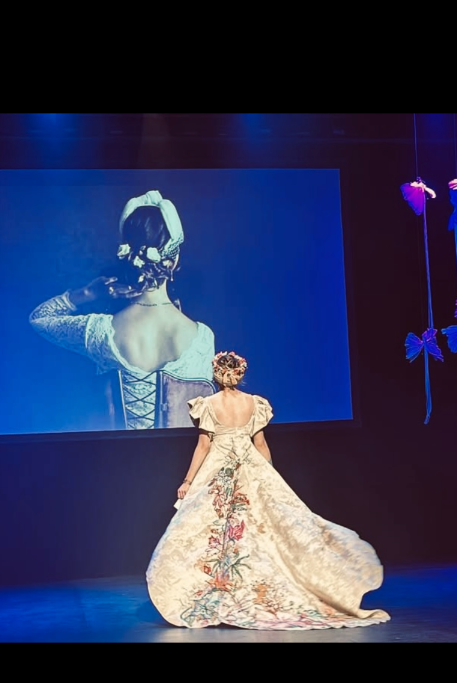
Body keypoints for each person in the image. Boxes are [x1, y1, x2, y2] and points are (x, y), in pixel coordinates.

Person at [146, 351, 390, 629]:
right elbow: (260, 444)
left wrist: (188, 481)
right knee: (256, 526)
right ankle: (244, 584)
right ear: (240, 374)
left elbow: (204, 446)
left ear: (216, 374)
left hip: (219, 467)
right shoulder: (254, 403)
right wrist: (269, 476)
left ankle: (224, 586)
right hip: (250, 466)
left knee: (213, 527)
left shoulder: (208, 404)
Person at [29, 190, 216, 429]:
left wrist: (87, 293)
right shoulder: (203, 339)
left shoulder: (100, 331)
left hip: (113, 454)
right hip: (185, 455)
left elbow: (39, 318)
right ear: (174, 260)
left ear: (127, 257)